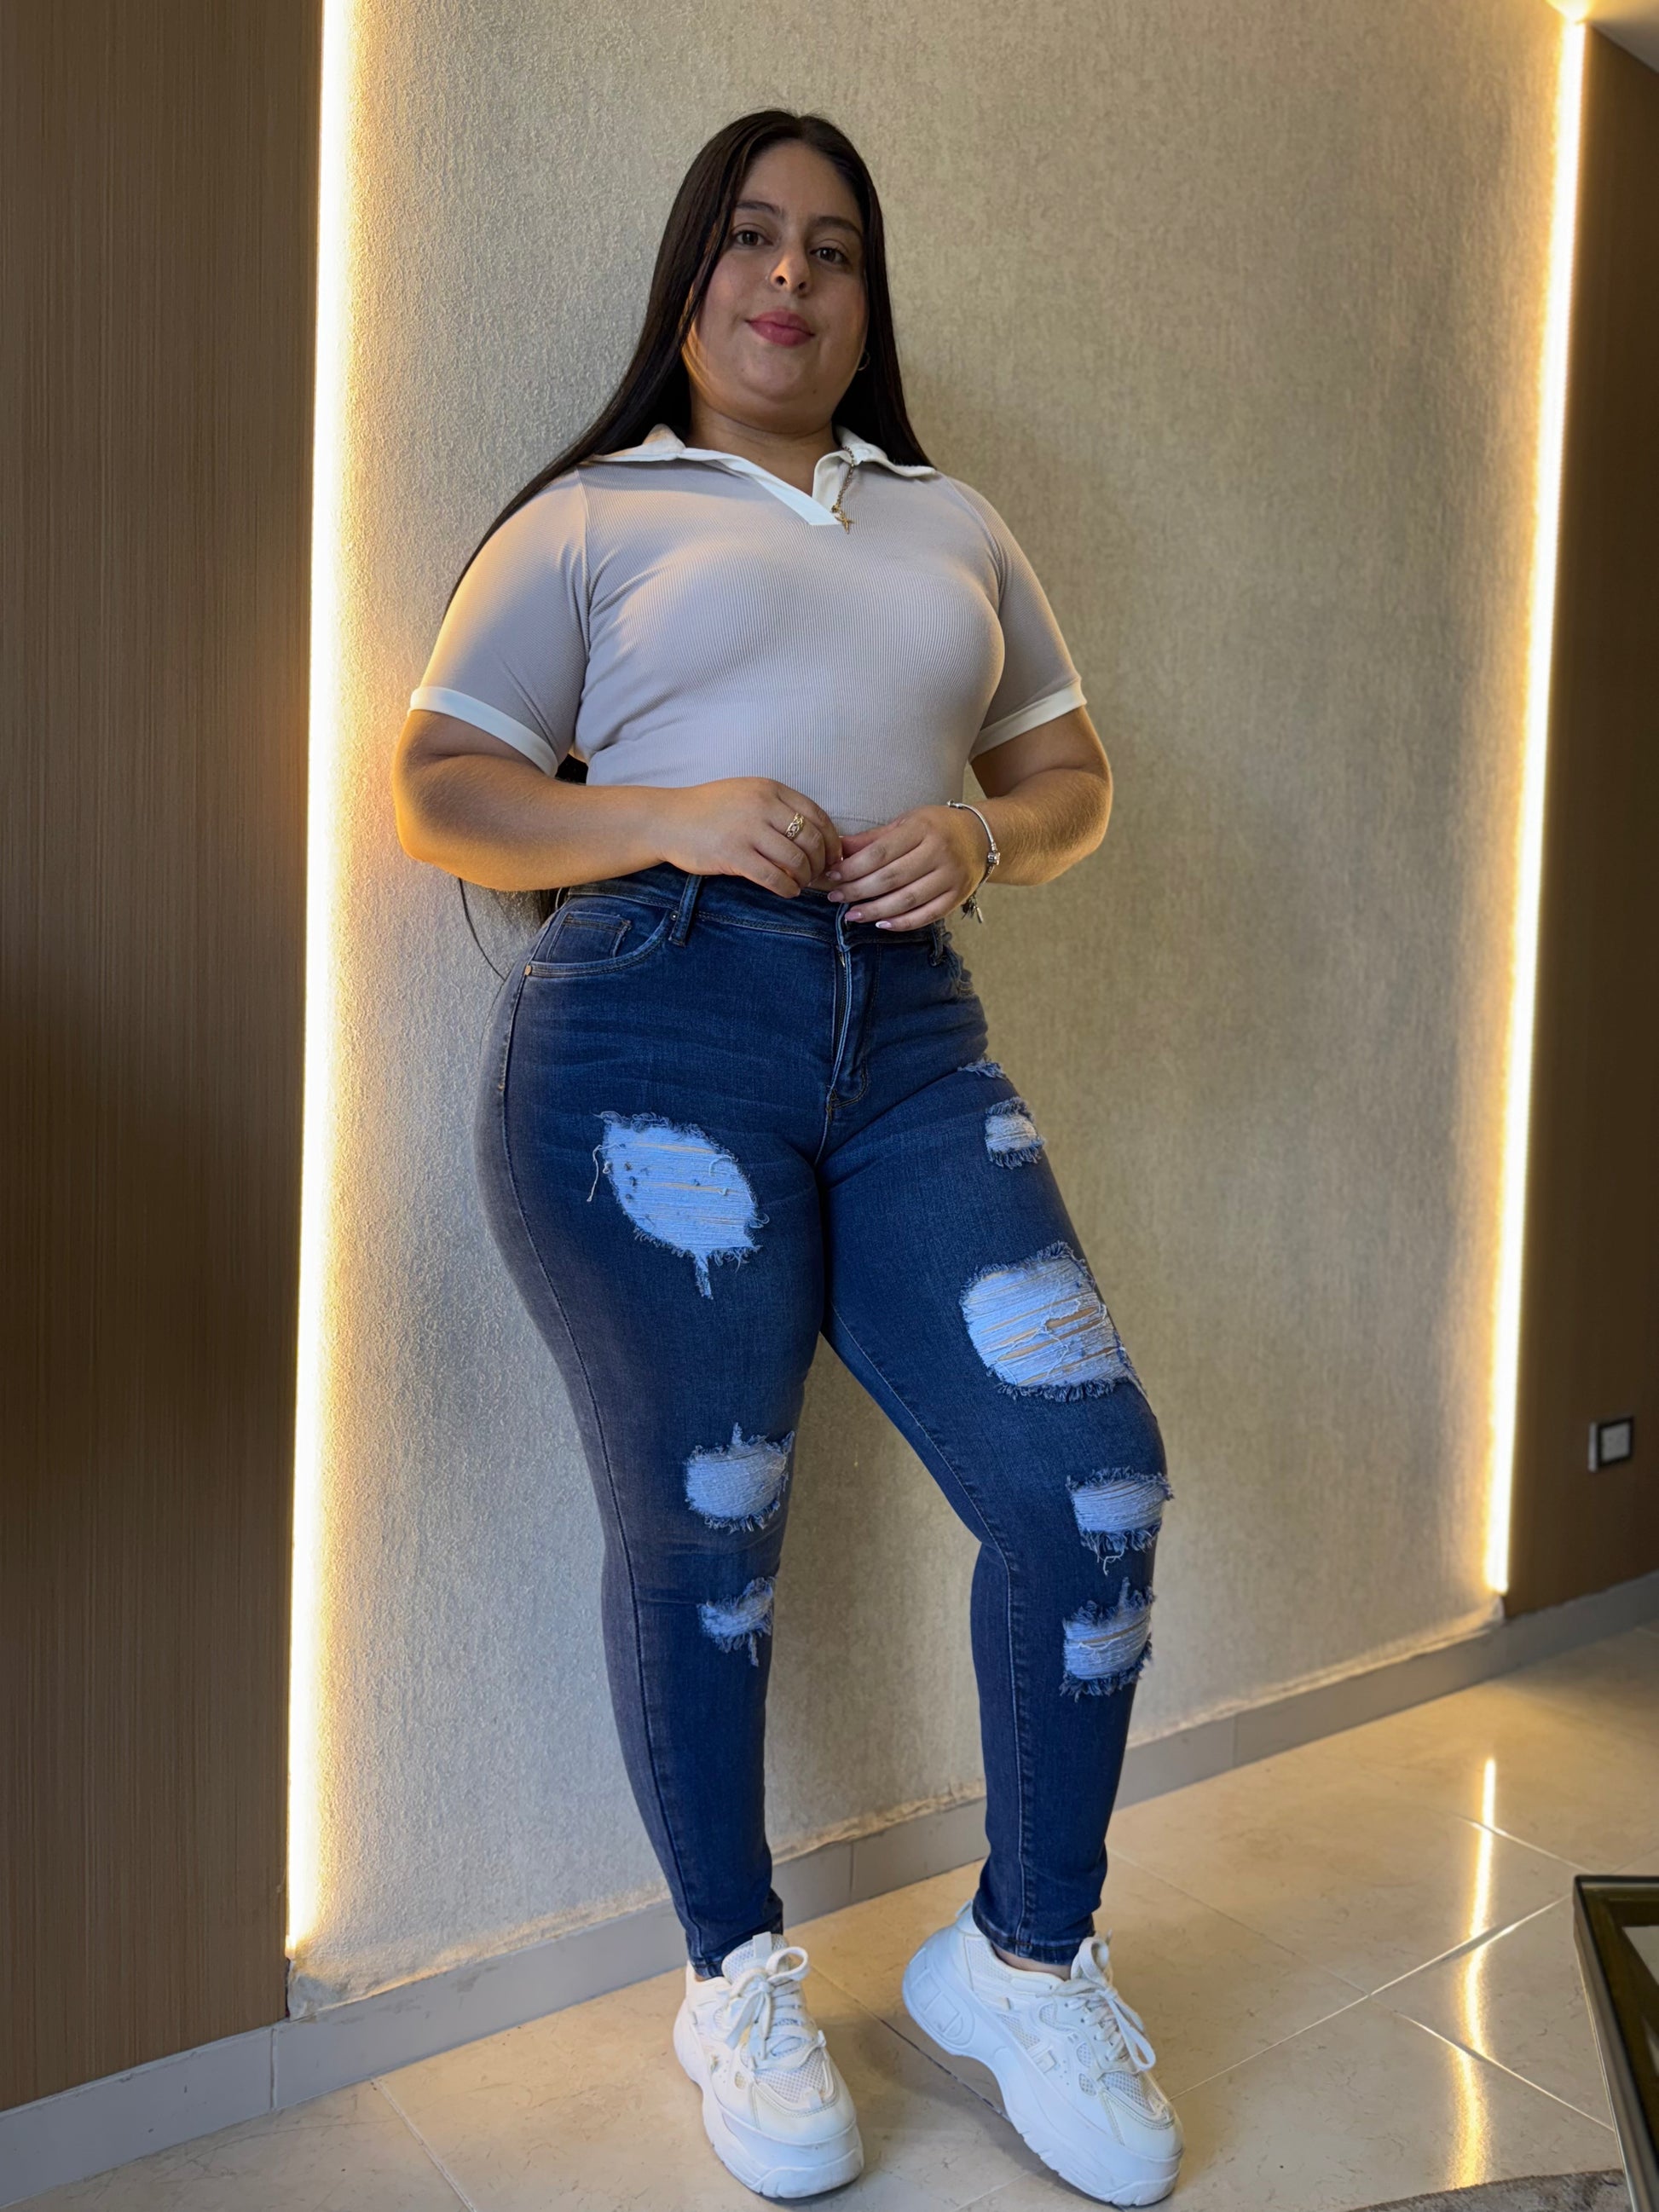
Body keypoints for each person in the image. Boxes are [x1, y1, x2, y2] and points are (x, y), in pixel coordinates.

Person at [391, 107, 1181, 2209]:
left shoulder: (950, 520)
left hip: (910, 1041)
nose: (790, 277)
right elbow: (439, 783)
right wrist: (664, 812)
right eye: (750, 238)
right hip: (649, 1033)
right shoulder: (595, 512)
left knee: (1090, 1482)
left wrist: (986, 834)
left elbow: (1074, 772)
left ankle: (1022, 1959)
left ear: (863, 298)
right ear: (689, 279)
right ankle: (733, 1973)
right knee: (709, 1525)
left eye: (832, 249)